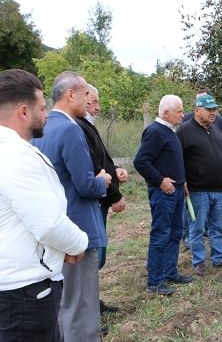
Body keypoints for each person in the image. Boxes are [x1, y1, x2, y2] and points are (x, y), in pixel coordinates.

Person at [0, 69, 89, 341]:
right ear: (24, 112)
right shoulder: (16, 155)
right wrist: (77, 243)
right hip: (24, 293)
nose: (47, 114)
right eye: (42, 108)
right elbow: (48, 223)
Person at [32, 71, 111, 342]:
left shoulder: (42, 129)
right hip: (79, 229)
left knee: (64, 302)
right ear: (70, 95)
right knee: (83, 305)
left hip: (54, 227)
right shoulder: (70, 129)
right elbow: (86, 185)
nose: (90, 100)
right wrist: (103, 180)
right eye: (86, 94)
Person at [75, 84, 127, 314]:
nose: (97, 107)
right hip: (95, 198)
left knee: (97, 256)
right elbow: (92, 167)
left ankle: (92, 302)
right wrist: (115, 195)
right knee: (92, 256)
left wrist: (115, 170)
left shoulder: (88, 126)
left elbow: (101, 161)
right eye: (93, 102)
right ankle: (86, 310)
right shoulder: (77, 128)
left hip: (101, 197)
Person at [134, 95, 193, 296]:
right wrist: (160, 180)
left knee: (176, 232)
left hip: (176, 191)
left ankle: (170, 272)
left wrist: (181, 181)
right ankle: (155, 281)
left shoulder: (170, 132)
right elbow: (141, 161)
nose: (182, 115)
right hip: (163, 193)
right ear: (166, 113)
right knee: (161, 234)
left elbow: (172, 161)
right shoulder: (154, 132)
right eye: (179, 111)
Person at [177, 94, 222, 276]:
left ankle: (219, 258)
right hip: (198, 191)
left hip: (219, 189)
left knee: (218, 227)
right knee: (197, 229)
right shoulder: (184, 131)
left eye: (214, 109)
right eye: (209, 109)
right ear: (197, 110)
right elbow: (177, 160)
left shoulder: (216, 128)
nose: (213, 113)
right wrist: (183, 181)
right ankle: (199, 262)